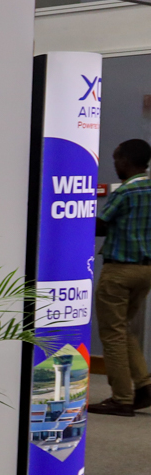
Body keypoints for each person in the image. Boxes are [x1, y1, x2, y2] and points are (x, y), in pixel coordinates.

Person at [91, 137, 150, 417]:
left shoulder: (125, 191)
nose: (114, 164)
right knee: (124, 328)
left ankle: (122, 398)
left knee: (112, 333)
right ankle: (144, 385)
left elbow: (101, 225)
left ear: (125, 160)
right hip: (146, 271)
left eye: (116, 159)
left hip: (119, 271)